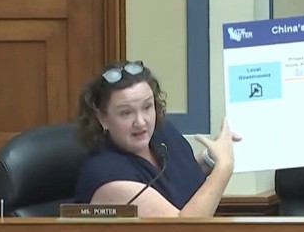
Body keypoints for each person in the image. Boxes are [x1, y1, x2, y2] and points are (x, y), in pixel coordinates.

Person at [74, 60, 241, 217]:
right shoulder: (107, 177)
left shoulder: (163, 134)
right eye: (126, 112)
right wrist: (224, 167)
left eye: (147, 107)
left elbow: (175, 181)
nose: (140, 122)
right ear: (103, 118)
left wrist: (210, 159)